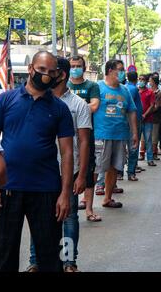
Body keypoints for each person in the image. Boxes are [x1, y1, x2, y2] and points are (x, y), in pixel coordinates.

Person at [0, 51, 74, 272]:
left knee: (49, 258)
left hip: (46, 190)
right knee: (2, 257)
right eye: (41, 70)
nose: (46, 76)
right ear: (31, 69)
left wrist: (65, 193)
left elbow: (67, 153)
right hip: (8, 189)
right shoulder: (5, 100)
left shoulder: (60, 109)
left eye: (51, 72)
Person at [27, 57, 91, 272]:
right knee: (39, 216)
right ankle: (35, 261)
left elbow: (83, 141)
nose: (47, 75)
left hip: (67, 171)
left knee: (69, 217)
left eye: (52, 71)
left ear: (60, 75)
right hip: (42, 170)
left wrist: (81, 175)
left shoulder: (78, 104)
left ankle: (69, 261)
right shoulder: (38, 100)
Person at [94, 59, 138, 209]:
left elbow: (131, 111)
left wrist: (134, 133)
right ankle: (86, 201)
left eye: (122, 70)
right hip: (101, 134)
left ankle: (107, 198)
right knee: (96, 167)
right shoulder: (97, 87)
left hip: (120, 135)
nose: (122, 73)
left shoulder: (125, 90)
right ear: (109, 71)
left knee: (114, 167)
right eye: (119, 70)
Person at [68, 55, 102, 222]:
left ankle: (89, 209)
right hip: (65, 136)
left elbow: (94, 106)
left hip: (85, 135)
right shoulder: (63, 85)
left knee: (87, 171)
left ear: (84, 67)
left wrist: (73, 110)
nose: (75, 68)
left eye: (78, 65)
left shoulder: (92, 86)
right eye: (72, 65)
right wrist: (82, 108)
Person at [126, 71, 144, 181]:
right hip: (133, 121)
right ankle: (131, 171)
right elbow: (130, 105)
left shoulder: (125, 87)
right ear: (136, 79)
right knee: (133, 146)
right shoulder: (133, 89)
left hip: (127, 121)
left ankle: (120, 173)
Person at [140, 76, 157, 167]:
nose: (141, 81)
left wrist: (145, 115)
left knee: (148, 140)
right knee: (136, 140)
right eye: (139, 79)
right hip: (138, 120)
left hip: (148, 120)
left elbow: (152, 105)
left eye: (142, 80)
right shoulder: (136, 91)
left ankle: (150, 159)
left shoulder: (150, 92)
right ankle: (135, 163)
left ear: (146, 82)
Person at [150, 75, 161, 161]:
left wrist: (147, 112)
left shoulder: (159, 94)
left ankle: (154, 153)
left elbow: (157, 107)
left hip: (155, 118)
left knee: (154, 137)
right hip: (149, 118)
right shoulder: (150, 92)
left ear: (154, 82)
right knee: (148, 137)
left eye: (150, 81)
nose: (149, 83)